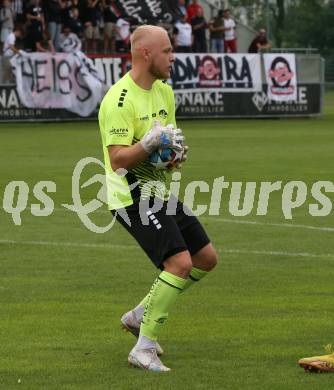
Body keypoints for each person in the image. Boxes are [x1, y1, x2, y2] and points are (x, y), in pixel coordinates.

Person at [98, 25, 218, 372]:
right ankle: (143, 347)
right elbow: (118, 159)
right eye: (166, 50)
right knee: (179, 264)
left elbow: (165, 149)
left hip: (158, 190)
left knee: (206, 258)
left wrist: (172, 155)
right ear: (145, 53)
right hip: (130, 195)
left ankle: (138, 316)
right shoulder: (119, 99)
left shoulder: (165, 92)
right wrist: (148, 144)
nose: (173, 56)